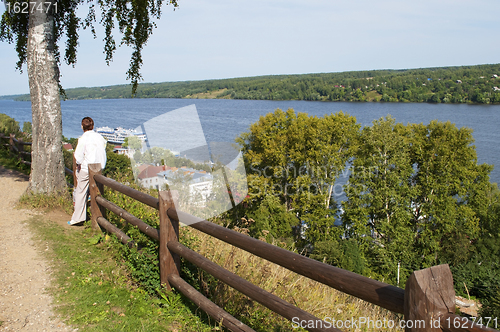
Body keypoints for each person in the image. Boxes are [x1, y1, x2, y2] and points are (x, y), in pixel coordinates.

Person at [68, 117, 107, 225]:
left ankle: (78, 218)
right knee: (97, 190)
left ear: (82, 127)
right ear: (93, 126)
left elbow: (78, 155)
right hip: (99, 167)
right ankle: (99, 215)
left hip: (87, 167)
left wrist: (79, 165)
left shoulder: (83, 138)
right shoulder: (99, 137)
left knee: (81, 191)